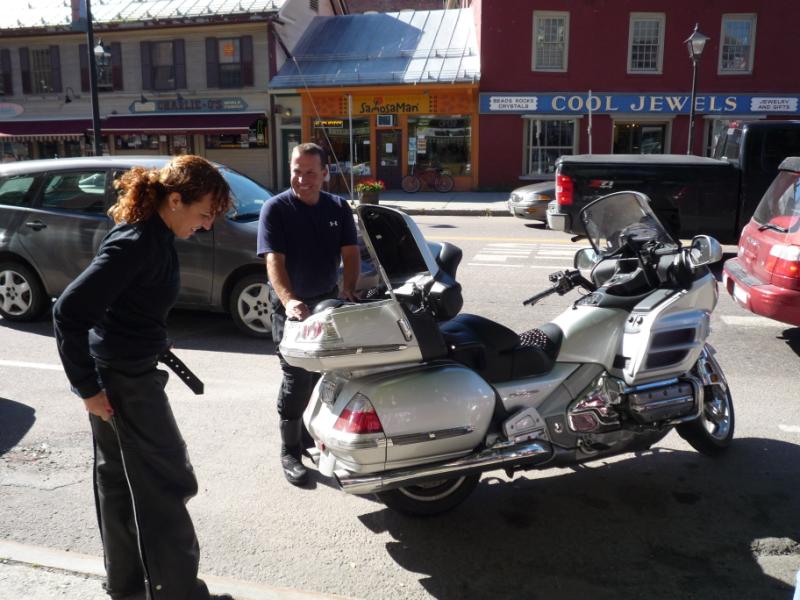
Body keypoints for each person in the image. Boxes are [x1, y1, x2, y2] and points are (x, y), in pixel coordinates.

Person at [53, 155, 232, 600]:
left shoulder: (152, 234)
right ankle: (178, 594)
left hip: (121, 373)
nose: (207, 224)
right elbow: (69, 312)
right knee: (167, 484)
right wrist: (88, 389)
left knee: (118, 482)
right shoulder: (136, 241)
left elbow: (123, 306)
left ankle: (128, 587)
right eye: (204, 213)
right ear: (175, 200)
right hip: (123, 381)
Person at [257, 143, 360, 486]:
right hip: (290, 308)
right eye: (297, 172)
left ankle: (309, 435)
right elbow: (274, 260)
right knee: (296, 377)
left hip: (326, 303)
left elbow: (351, 252)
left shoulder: (337, 207)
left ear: (325, 174)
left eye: (311, 173)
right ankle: (289, 451)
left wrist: (348, 288)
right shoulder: (275, 209)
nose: (302, 179)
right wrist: (289, 301)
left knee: (324, 376)